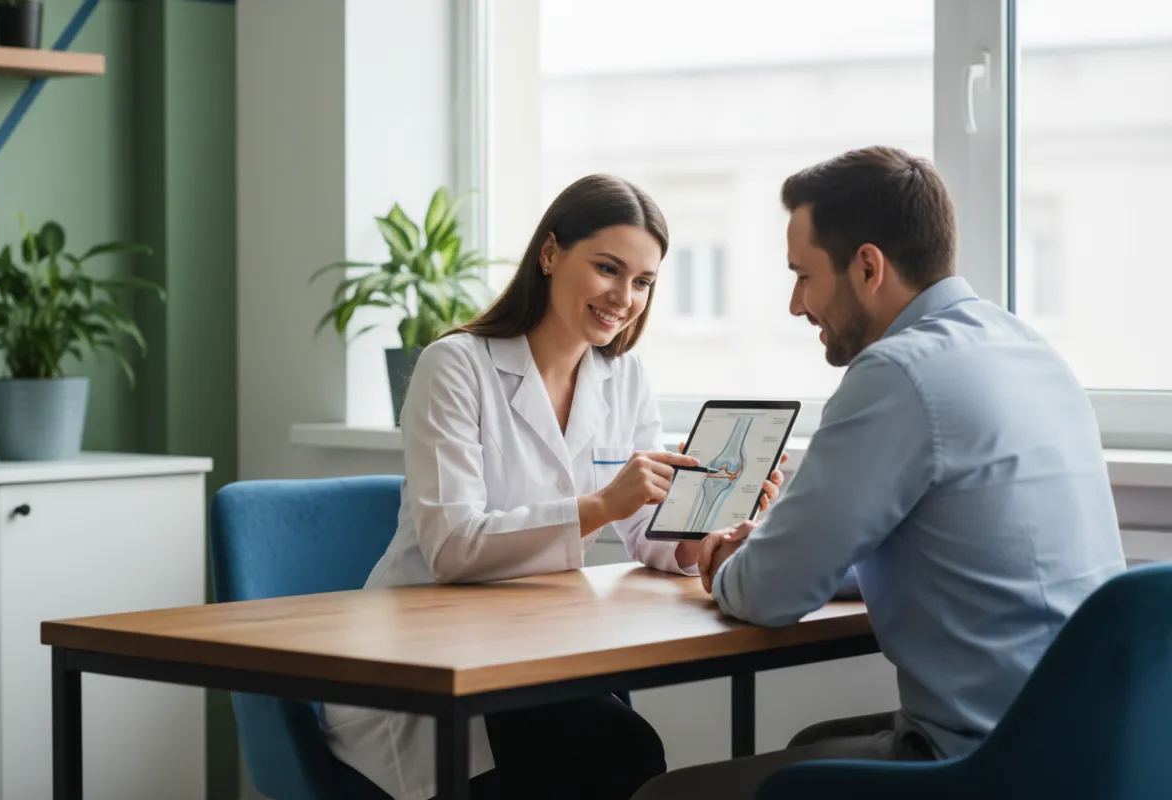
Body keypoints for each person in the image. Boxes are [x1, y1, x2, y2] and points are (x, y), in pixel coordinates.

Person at [633, 146, 1126, 799]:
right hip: (1094, 748)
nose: (794, 305)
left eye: (803, 275)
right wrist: (796, 557)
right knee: (811, 747)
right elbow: (951, 548)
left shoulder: (899, 372)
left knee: (661, 795)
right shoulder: (1025, 348)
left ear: (868, 267)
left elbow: (768, 595)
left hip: (994, 768)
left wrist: (729, 560)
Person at [323, 174, 786, 800]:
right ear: (549, 254)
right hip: (433, 659)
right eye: (608, 268)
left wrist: (706, 521)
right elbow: (453, 548)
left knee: (622, 750)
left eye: (643, 281)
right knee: (618, 753)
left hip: (542, 646)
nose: (624, 296)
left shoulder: (621, 375)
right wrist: (600, 505)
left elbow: (648, 533)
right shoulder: (455, 366)